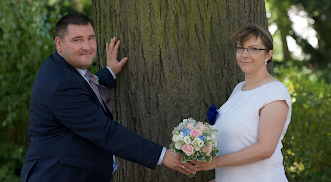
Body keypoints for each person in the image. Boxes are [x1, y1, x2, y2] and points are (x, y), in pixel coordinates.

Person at [20, 13, 196, 181]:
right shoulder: (60, 86)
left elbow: (85, 88)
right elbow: (106, 132)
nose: (87, 46)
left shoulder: (62, 68)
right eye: (77, 40)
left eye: (90, 38)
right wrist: (162, 155)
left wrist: (109, 73)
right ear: (59, 44)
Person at [194, 25, 292, 182]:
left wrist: (215, 163)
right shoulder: (239, 89)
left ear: (268, 54)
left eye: (253, 49)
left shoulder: (275, 93)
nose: (245, 54)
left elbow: (264, 149)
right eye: (241, 48)